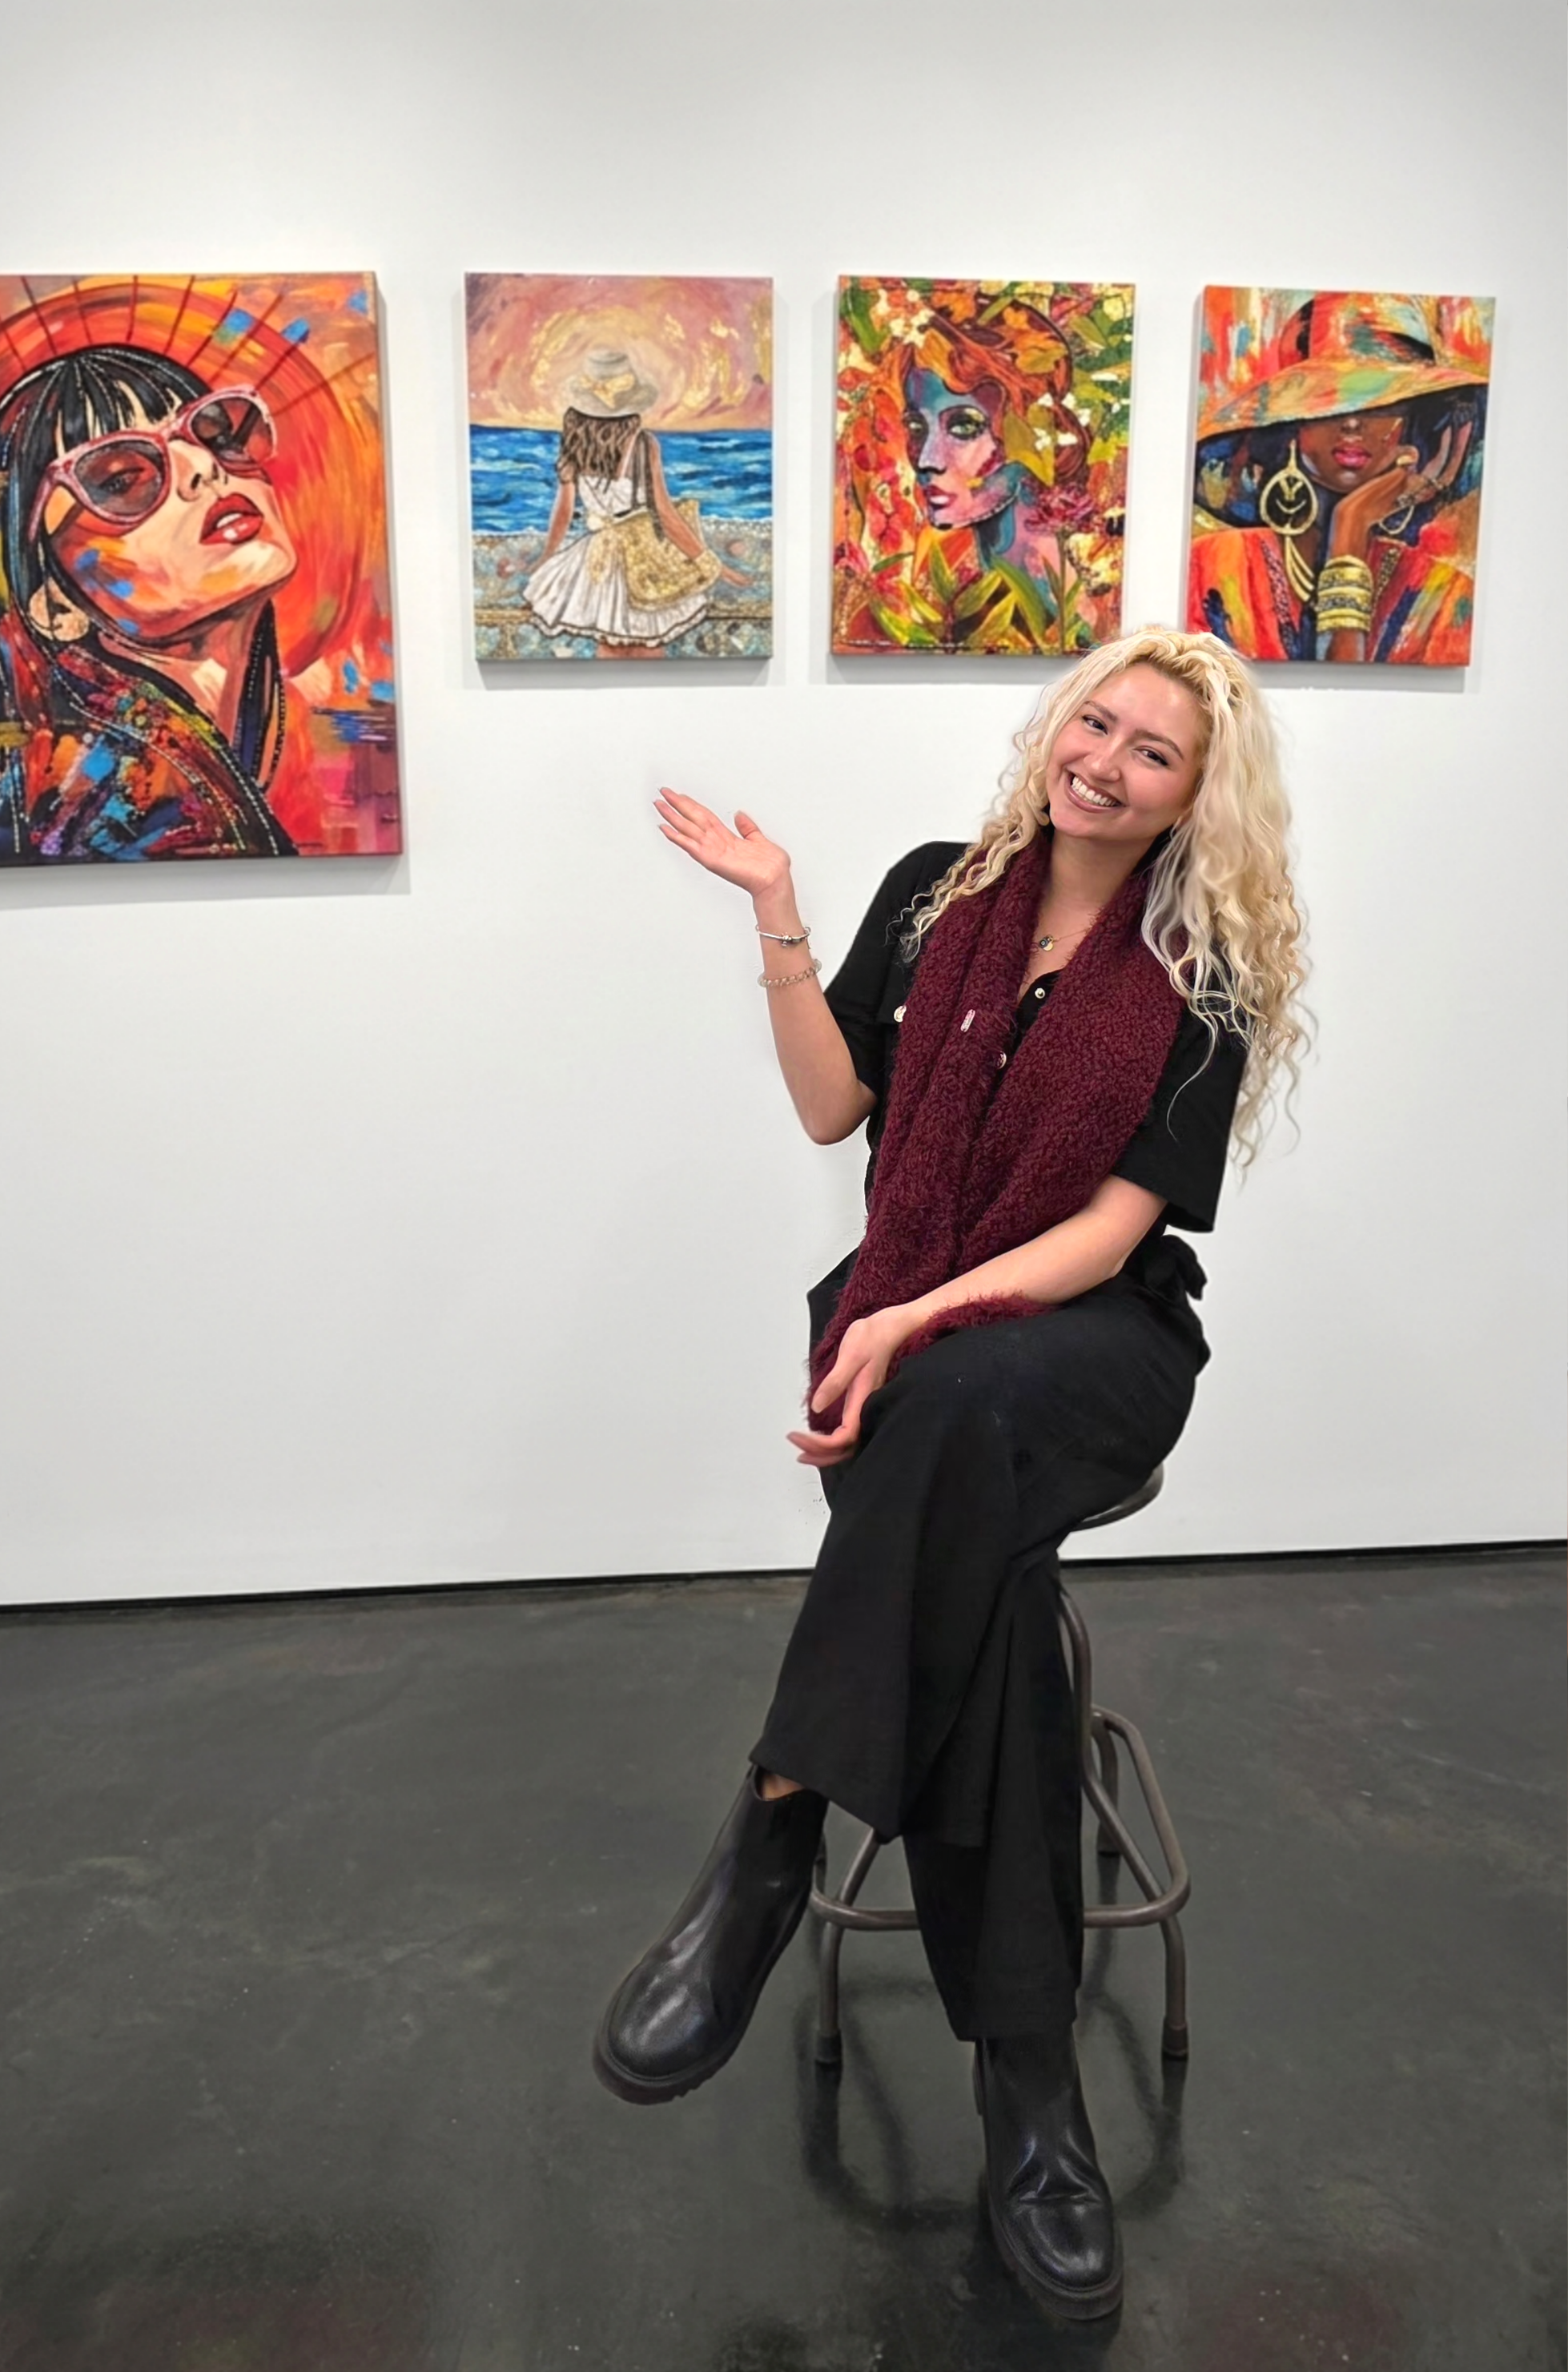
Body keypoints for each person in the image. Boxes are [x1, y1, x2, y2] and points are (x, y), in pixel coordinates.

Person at [594, 627, 1305, 2322]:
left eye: (1152, 752)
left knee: (957, 1401)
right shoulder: (934, 892)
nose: (1105, 762)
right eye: (1096, 723)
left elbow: (1107, 1236)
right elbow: (830, 1107)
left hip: (1088, 1342)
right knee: (985, 1624)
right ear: (1060, 723)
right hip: (912, 1342)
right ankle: (1032, 2098)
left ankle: (775, 1824)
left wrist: (907, 1315)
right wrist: (775, 911)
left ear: (1195, 798)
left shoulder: (1202, 967)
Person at [0, 344, 300, 865]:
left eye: (217, 436)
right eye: (122, 481)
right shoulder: (127, 817)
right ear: (53, 603)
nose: (205, 467)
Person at [1187, 293, 1486, 665]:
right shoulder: (1212, 565)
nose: (1353, 422)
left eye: (1380, 404)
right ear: (1293, 423)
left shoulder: (1445, 598)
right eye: (1327, 402)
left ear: (1411, 422)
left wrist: (1351, 527)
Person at [834, 296, 1111, 654]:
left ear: (1032, 436)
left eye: (964, 426)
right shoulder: (948, 565)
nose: (927, 460)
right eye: (917, 427)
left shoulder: (1066, 600)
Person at [521, 349, 740, 658]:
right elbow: (665, 514)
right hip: (642, 557)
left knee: (608, 643)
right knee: (647, 645)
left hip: (595, 558)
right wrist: (712, 565)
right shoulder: (643, 444)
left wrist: (547, 556)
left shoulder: (574, 443)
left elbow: (564, 511)